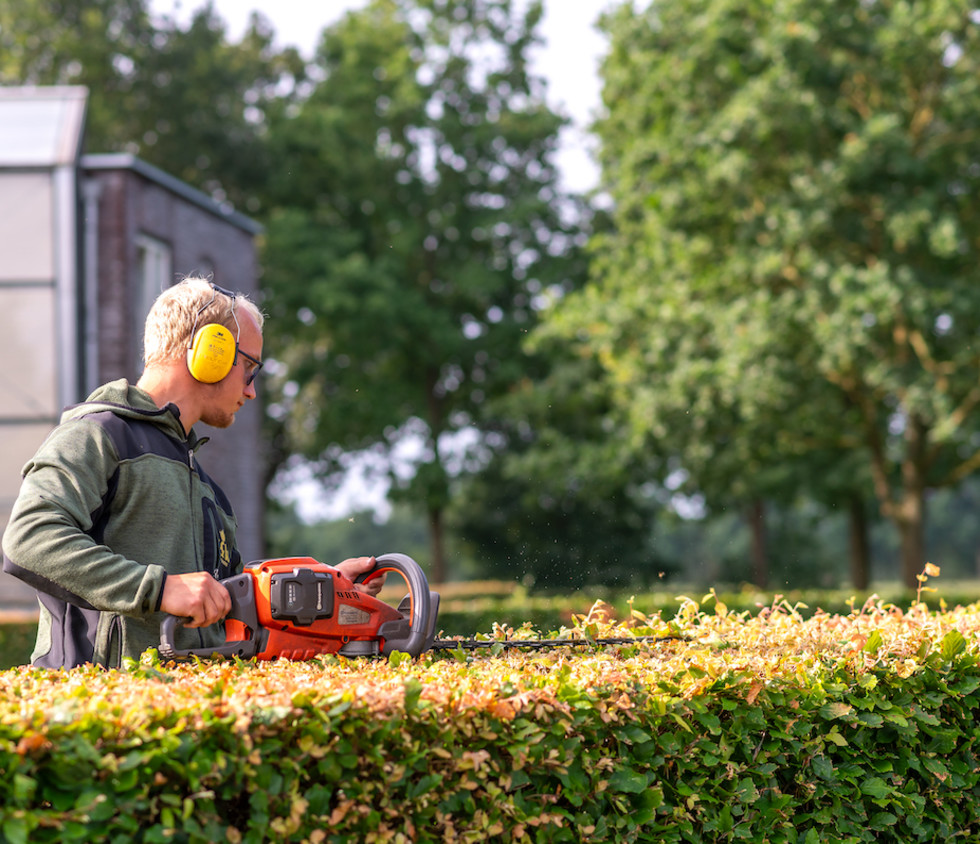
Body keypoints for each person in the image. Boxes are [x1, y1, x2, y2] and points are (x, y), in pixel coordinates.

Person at [2, 277, 382, 669]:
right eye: (250, 368)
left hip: (186, 715)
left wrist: (327, 588)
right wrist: (160, 589)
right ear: (210, 351)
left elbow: (234, 599)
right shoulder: (97, 436)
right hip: (98, 713)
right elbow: (30, 537)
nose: (251, 391)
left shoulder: (206, 489)